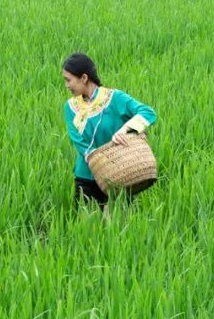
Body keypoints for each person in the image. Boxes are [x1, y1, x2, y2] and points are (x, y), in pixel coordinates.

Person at [62, 52, 156, 210]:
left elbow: (148, 113)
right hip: (86, 176)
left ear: (84, 78)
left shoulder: (114, 98)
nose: (66, 85)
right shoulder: (70, 107)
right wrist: (98, 161)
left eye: (68, 80)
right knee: (85, 228)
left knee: (117, 227)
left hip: (119, 174)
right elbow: (76, 139)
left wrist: (125, 129)